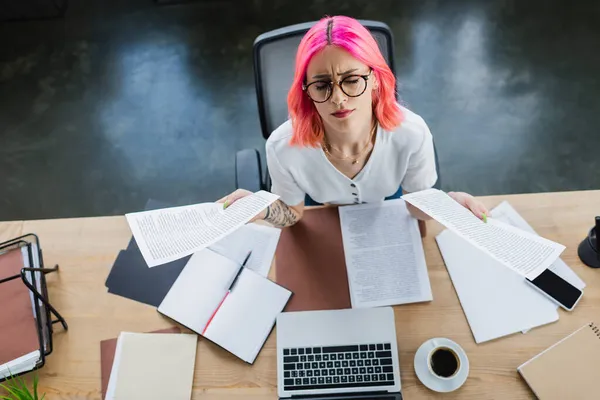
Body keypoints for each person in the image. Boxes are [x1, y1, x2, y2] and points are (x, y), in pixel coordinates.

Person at [220, 15, 488, 228]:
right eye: (322, 85)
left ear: (374, 78)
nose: (338, 98)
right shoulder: (282, 147)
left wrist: (447, 206)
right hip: (321, 210)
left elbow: (415, 209)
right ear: (305, 89)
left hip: (389, 203)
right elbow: (293, 213)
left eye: (351, 80)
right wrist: (262, 209)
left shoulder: (412, 133)